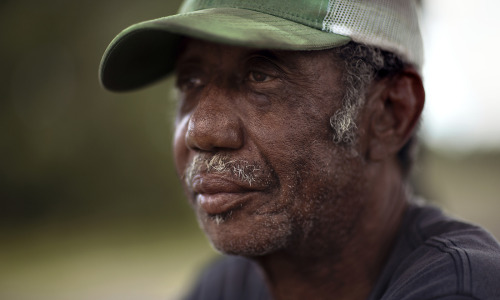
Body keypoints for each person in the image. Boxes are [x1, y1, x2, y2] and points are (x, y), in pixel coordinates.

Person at [99, 0, 500, 299]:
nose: (202, 131)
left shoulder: (459, 288)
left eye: (261, 75)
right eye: (191, 80)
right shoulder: (223, 287)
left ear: (389, 114)